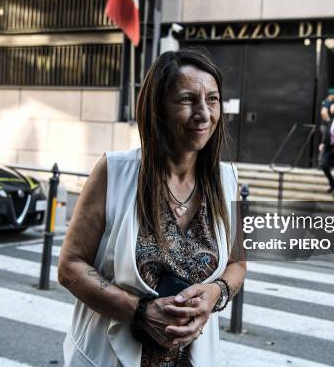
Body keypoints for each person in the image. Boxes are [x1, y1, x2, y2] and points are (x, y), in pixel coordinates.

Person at [58, 48, 245, 367]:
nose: (204, 113)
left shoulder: (228, 180)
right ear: (158, 108)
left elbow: (237, 263)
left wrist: (216, 293)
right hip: (109, 357)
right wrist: (140, 311)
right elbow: (71, 266)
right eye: (187, 99)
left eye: (212, 99)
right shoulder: (115, 171)